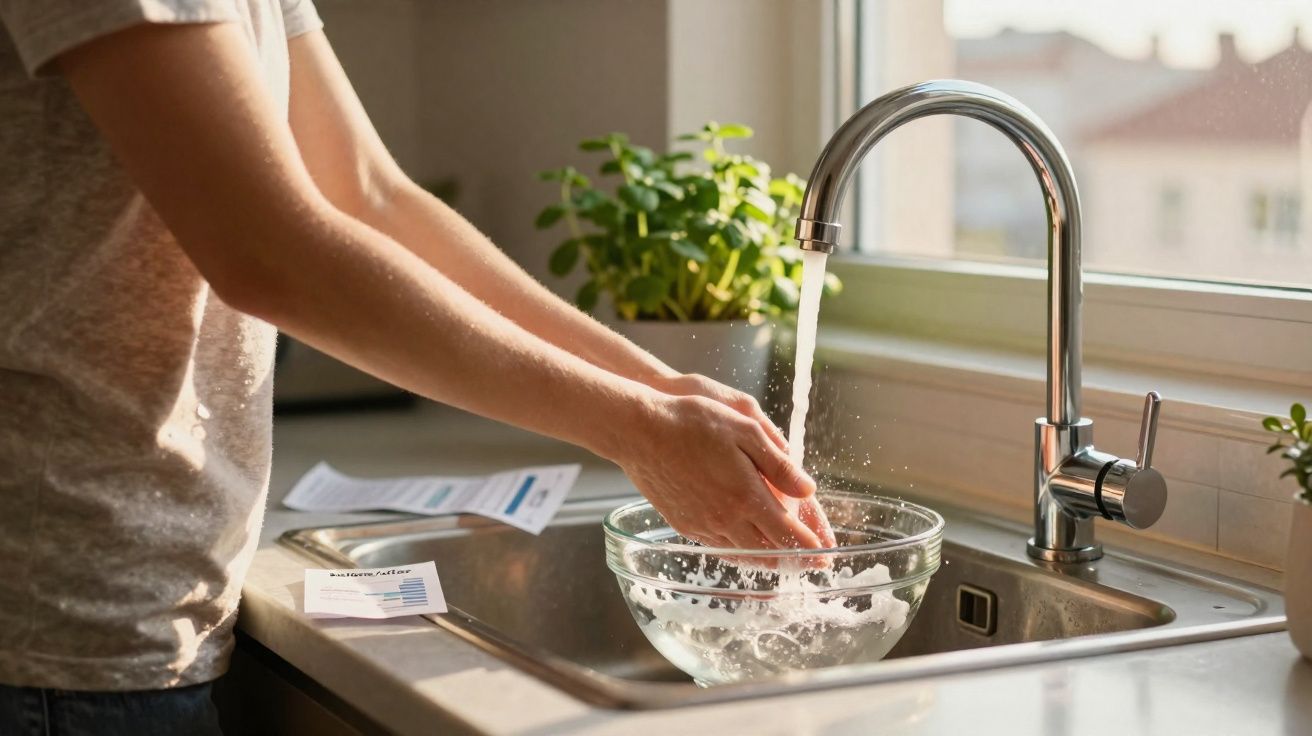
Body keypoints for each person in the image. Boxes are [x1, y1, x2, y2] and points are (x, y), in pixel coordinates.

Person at [0, 1, 835, 732]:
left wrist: (656, 390)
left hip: (136, 595)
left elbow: (367, 194)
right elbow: (268, 250)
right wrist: (635, 427)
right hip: (60, 609)